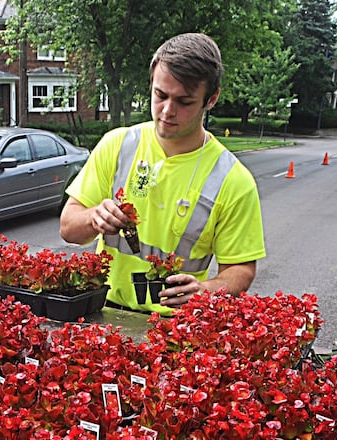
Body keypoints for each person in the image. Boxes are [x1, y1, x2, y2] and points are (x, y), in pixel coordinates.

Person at [60, 33, 265, 315]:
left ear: (211, 99)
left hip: (176, 327)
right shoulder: (117, 145)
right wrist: (94, 216)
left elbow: (241, 269)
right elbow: (68, 227)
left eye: (184, 101)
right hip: (102, 311)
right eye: (160, 95)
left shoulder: (233, 180)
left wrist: (206, 290)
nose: (167, 111)